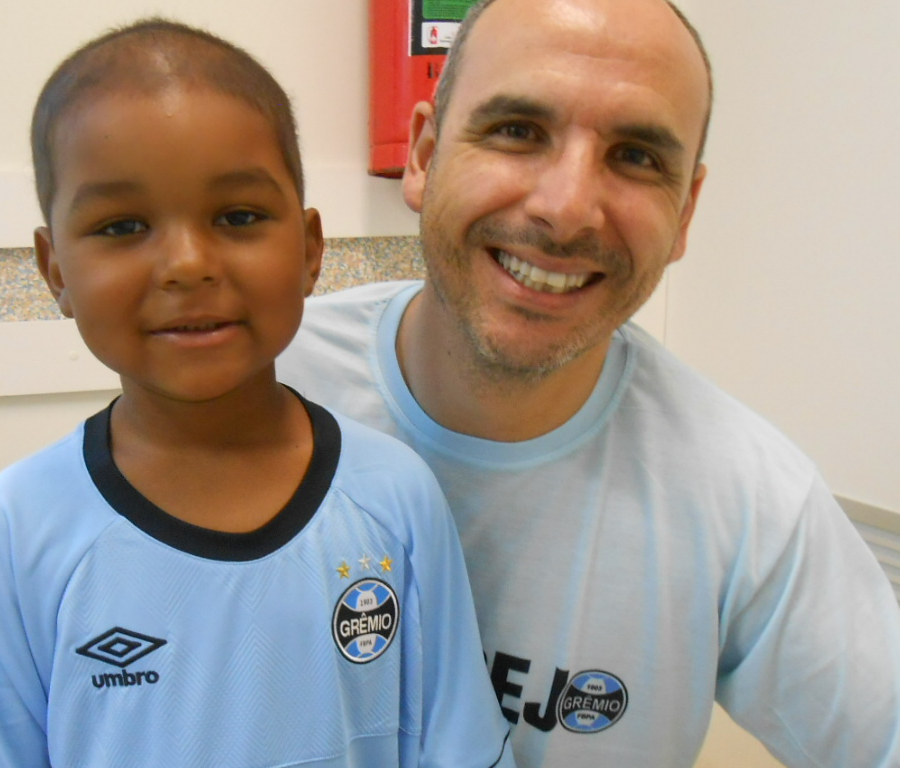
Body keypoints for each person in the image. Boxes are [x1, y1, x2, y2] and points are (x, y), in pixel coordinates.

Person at [278, 0, 900, 765]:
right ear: (424, 155)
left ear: (685, 215)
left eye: (637, 156)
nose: (567, 209)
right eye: (517, 131)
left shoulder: (748, 501)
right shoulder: (262, 387)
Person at [0, 19, 515, 768]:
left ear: (309, 250)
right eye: (122, 225)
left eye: (238, 217)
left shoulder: (395, 499)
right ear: (55, 271)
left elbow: (456, 748)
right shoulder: (18, 528)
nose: (185, 263)